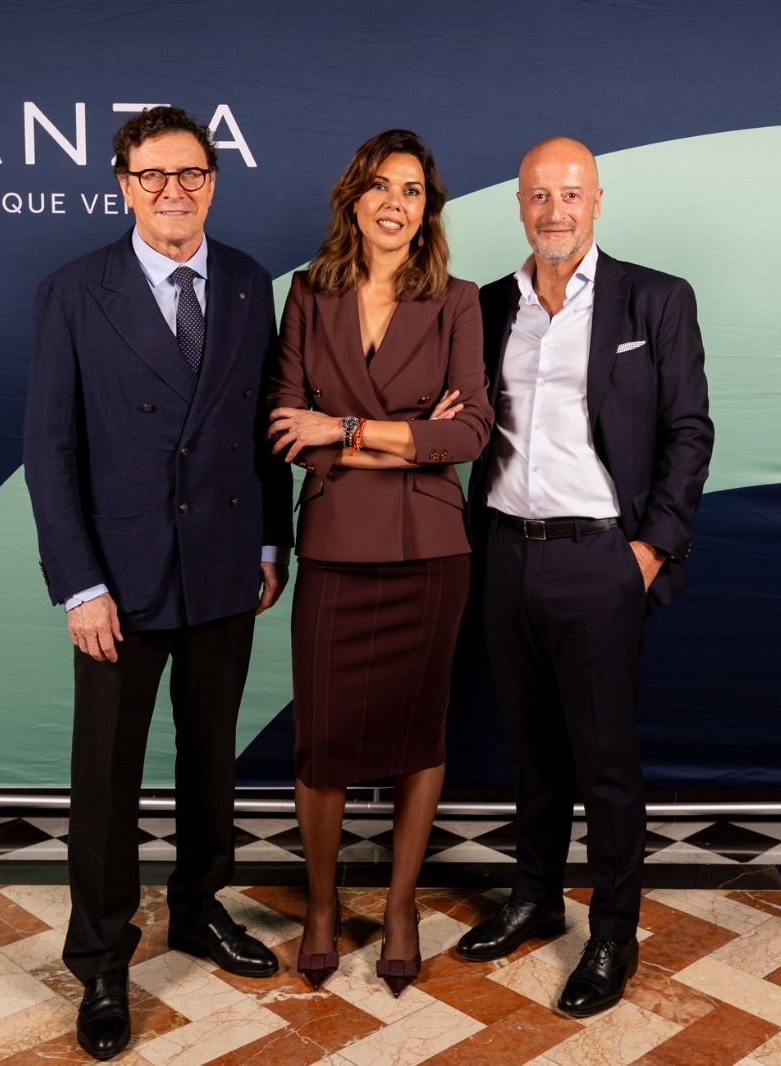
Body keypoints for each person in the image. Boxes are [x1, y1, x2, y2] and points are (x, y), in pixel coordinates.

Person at [23, 105, 293, 1061]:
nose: (171, 192)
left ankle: (196, 907)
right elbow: (50, 453)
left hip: (225, 565)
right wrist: (78, 585)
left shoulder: (254, 282)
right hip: (120, 580)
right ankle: (99, 960)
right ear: (123, 185)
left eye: (189, 174)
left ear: (212, 180)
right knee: (106, 779)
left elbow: (265, 425)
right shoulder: (72, 291)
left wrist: (271, 544)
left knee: (210, 755)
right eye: (152, 176)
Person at [453, 137, 713, 1018]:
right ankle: (533, 899)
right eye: (537, 196)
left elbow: (689, 433)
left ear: (598, 199)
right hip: (504, 553)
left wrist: (649, 551)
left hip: (602, 559)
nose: (553, 210)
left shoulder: (656, 298)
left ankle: (613, 931)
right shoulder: (487, 306)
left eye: (570, 194)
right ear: (518, 206)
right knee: (530, 750)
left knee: (604, 759)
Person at [266, 128, 491, 998]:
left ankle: (399, 906)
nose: (395, 203)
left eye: (412, 190)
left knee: (419, 731)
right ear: (352, 198)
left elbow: (468, 434)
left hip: (432, 550)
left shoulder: (459, 301)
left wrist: (345, 429)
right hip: (332, 546)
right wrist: (405, 437)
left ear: (427, 209)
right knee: (320, 740)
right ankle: (323, 907)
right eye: (380, 187)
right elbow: (287, 427)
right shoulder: (307, 296)